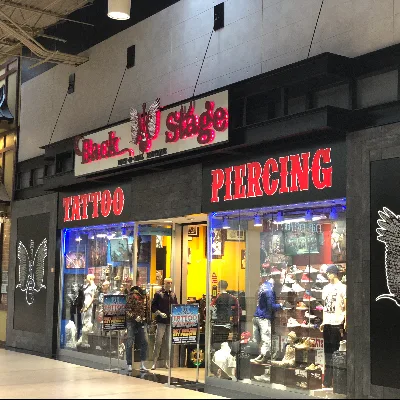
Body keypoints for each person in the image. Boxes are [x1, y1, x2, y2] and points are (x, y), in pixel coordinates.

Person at [319, 264, 346, 388]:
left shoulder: (343, 288)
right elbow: (325, 307)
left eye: (329, 272)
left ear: (334, 273)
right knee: (327, 353)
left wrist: (346, 321)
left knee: (336, 353)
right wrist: (323, 322)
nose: (327, 274)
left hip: (337, 323)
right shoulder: (325, 288)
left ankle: (338, 382)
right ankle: (327, 381)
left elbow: (346, 306)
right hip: (328, 324)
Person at [251, 273, 282, 364]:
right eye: (278, 278)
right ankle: (263, 358)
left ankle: (258, 356)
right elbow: (271, 306)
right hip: (264, 318)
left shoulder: (263, 286)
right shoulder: (269, 290)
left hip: (256, 316)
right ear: (275, 278)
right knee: (266, 340)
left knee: (257, 340)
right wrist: (281, 305)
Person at [151, 278, 178, 370]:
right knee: (158, 342)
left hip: (169, 322)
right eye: (167, 283)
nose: (169, 284)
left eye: (170, 283)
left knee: (168, 343)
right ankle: (154, 361)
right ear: (164, 283)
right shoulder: (159, 294)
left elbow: (176, 306)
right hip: (161, 322)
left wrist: (174, 315)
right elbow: (153, 306)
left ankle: (166, 361)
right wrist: (159, 313)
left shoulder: (173, 295)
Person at [125, 277, 149, 372]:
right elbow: (127, 309)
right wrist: (135, 317)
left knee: (145, 342)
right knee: (130, 342)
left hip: (142, 322)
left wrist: (146, 319)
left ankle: (142, 363)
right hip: (131, 321)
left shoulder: (146, 297)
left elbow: (147, 309)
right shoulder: (132, 295)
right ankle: (129, 364)